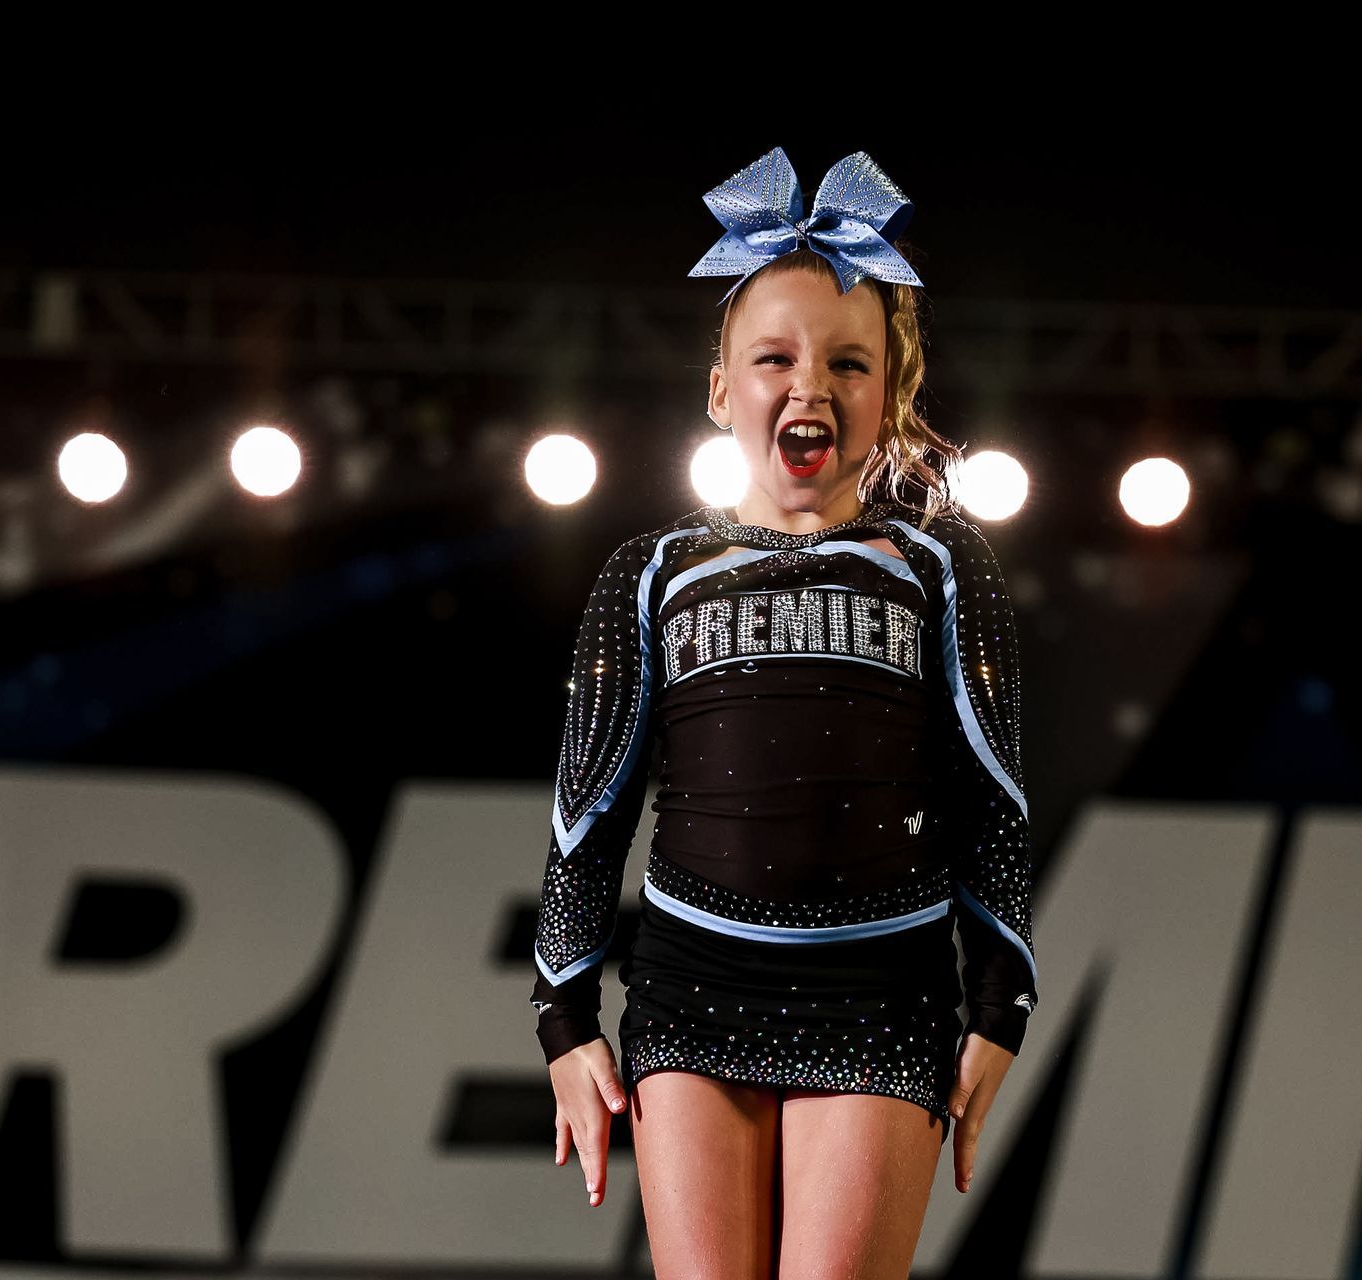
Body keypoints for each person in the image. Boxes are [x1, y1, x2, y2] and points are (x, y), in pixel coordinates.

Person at [528, 147, 1038, 1277]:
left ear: (890, 395)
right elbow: (586, 813)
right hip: (693, 987)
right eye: (775, 358)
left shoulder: (941, 566)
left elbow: (991, 798)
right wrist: (564, 1018)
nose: (810, 385)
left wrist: (1000, 1002)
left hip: (881, 994)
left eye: (849, 363)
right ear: (721, 391)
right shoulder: (653, 572)